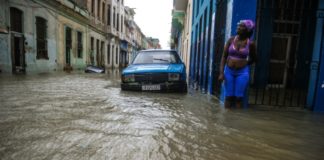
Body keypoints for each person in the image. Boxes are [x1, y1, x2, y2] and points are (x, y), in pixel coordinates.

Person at [218, 19, 257, 108]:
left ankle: (237, 119)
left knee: (239, 98)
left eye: (241, 26)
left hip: (242, 73)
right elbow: (224, 56)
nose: (238, 27)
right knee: (228, 97)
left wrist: (245, 63)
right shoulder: (231, 40)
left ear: (248, 30)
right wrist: (221, 73)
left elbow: (254, 58)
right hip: (229, 71)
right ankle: (227, 119)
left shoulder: (251, 44)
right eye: (238, 25)